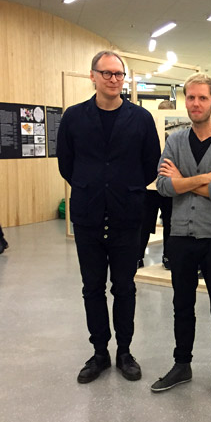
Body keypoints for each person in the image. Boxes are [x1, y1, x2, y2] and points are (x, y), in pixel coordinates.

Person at [57, 50, 161, 384]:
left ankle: (125, 352)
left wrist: (122, 186)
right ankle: (100, 352)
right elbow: (66, 163)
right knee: (92, 288)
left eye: (119, 74)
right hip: (87, 214)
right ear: (93, 76)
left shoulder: (141, 118)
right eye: (107, 74)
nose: (114, 80)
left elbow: (150, 164)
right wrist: (92, 185)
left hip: (127, 215)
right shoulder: (74, 117)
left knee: (125, 287)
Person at [151, 73, 211, 401]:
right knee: (181, 304)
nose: (196, 104)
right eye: (190, 98)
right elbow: (162, 186)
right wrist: (204, 178)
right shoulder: (174, 140)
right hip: (180, 237)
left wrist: (183, 180)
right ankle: (182, 364)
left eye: (202, 98)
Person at [137, 99, 174, 270]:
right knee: (166, 222)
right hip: (161, 185)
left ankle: (138, 257)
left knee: (147, 222)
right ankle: (168, 257)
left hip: (154, 185)